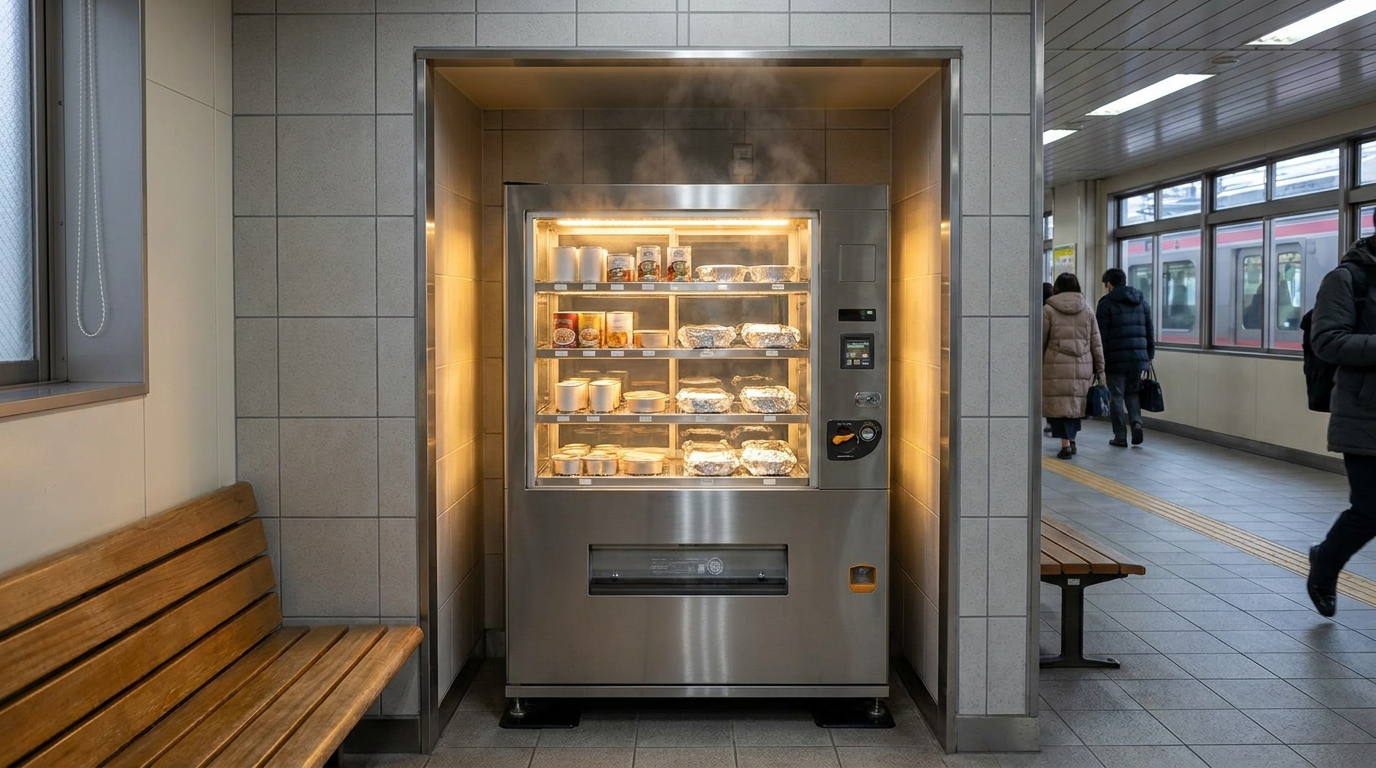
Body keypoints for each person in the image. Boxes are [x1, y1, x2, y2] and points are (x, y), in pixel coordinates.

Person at [1306, 235, 1376, 617]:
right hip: (1366, 415)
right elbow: (1328, 341)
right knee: (1370, 510)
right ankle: (1325, 563)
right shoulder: (1348, 279)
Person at [1043, 273, 1105, 460]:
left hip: (1055, 366)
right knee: (1075, 405)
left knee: (1058, 407)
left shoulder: (1048, 310)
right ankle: (1071, 439)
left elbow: (1041, 339)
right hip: (1082, 365)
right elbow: (1096, 342)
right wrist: (1100, 369)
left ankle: (1065, 446)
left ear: (1057, 288)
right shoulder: (1087, 310)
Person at [1096, 268, 1155, 447]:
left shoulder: (1106, 304)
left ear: (1109, 284)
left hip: (1115, 358)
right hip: (1138, 358)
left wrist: (1099, 360)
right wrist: (1149, 355)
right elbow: (1149, 331)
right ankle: (1136, 423)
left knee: (1116, 396)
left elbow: (1101, 335)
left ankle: (1120, 436)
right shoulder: (1142, 302)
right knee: (1132, 392)